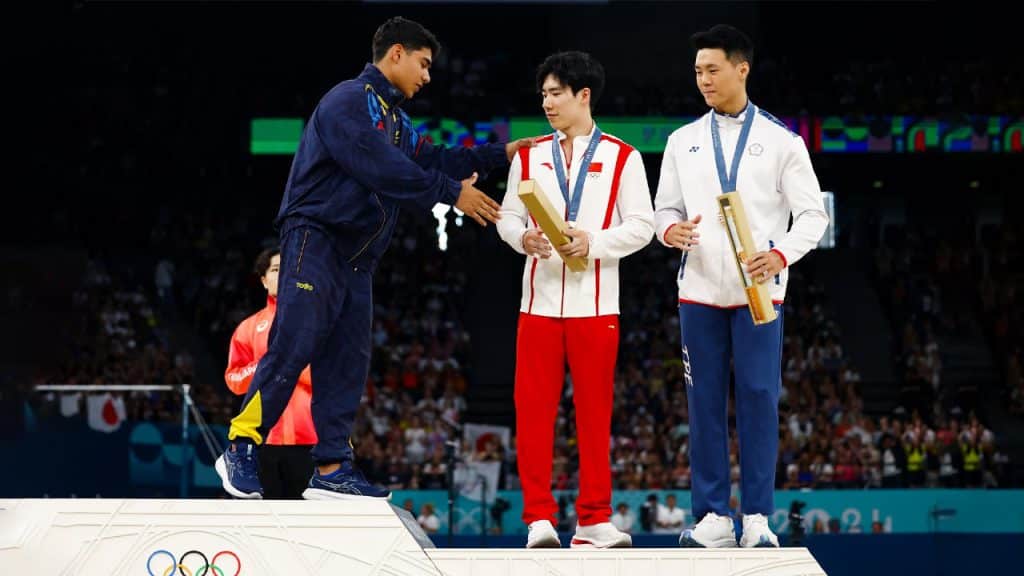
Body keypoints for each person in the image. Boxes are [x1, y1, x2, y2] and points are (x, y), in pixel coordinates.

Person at [216, 16, 536, 500]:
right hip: (316, 239)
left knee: (347, 362)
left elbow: (433, 159)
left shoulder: (396, 121)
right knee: (294, 343)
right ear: (396, 54)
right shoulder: (347, 100)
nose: (427, 77)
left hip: (358, 259)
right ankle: (241, 445)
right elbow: (379, 166)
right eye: (424, 64)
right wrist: (452, 194)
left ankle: (331, 469)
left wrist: (501, 154)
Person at [654, 24, 828, 548]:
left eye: (712, 69)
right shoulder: (681, 141)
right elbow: (664, 208)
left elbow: (813, 216)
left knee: (757, 397)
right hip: (700, 291)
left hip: (760, 294)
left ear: (741, 68)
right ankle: (711, 517)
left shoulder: (782, 142)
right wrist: (670, 230)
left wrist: (779, 255)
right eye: (698, 72)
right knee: (702, 403)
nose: (703, 80)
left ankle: (756, 517)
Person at [497, 51, 654, 549]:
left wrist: (594, 242)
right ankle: (538, 518)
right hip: (537, 305)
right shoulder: (527, 155)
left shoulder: (624, 157)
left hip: (597, 305)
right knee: (534, 411)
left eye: (555, 93)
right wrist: (522, 239)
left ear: (583, 95)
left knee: (594, 413)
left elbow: (643, 227)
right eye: (543, 93)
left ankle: (593, 520)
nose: (546, 102)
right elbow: (506, 218)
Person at [224, 247, 315, 499]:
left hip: (310, 440)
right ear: (264, 280)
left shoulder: (317, 324)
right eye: (275, 269)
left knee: (310, 526)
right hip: (261, 441)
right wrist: (263, 366)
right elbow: (233, 381)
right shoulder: (248, 328)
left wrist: (296, 367)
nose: (282, 274)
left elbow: (334, 378)